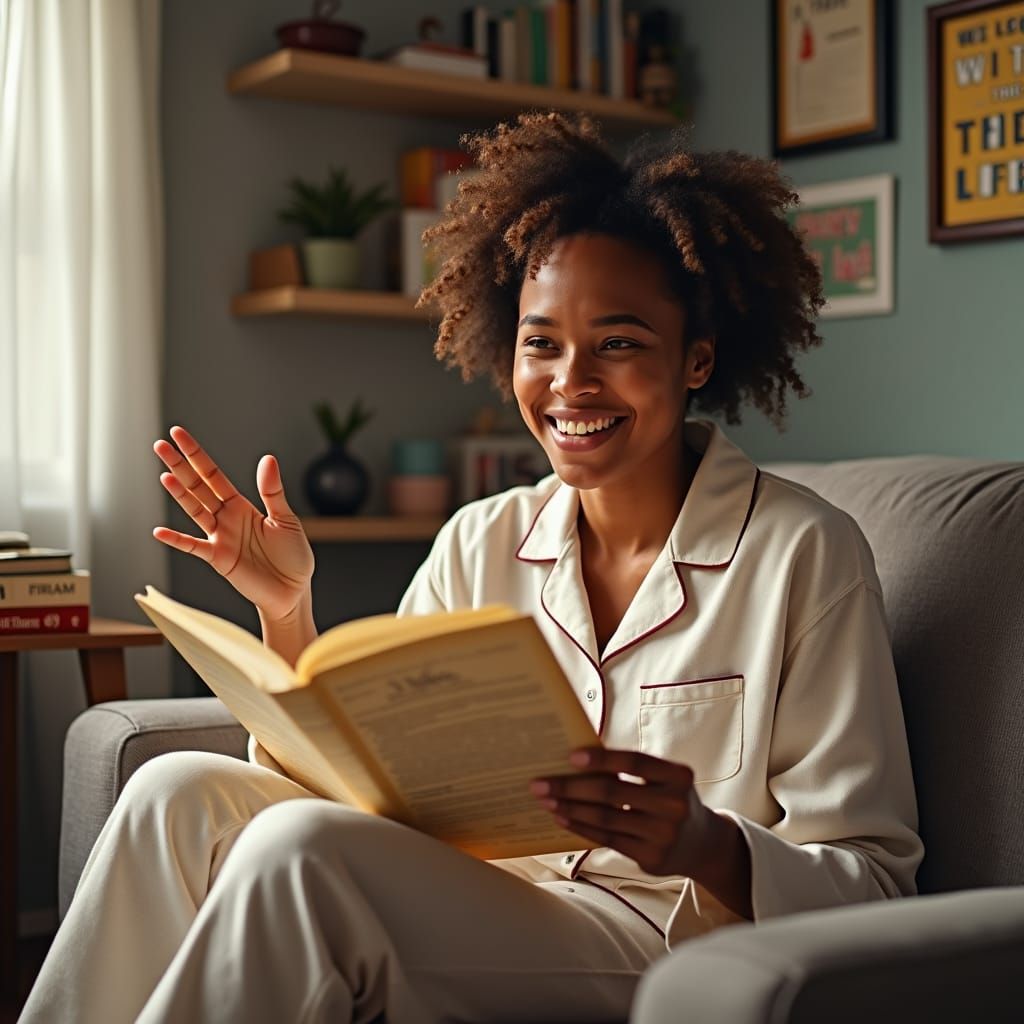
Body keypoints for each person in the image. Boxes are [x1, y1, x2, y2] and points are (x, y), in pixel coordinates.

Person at [20, 111, 923, 1023]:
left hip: (655, 941)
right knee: (174, 790)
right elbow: (359, 780)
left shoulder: (805, 553)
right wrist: (288, 610)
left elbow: (875, 884)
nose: (570, 383)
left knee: (299, 856)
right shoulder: (479, 539)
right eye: (542, 343)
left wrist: (707, 843)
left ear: (695, 359)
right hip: (474, 892)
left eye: (617, 343)